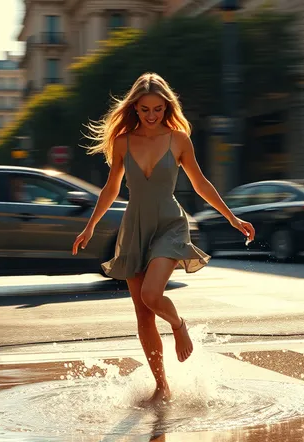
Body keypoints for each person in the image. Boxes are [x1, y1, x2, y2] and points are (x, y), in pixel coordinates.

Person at [72, 72, 255, 405]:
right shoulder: (123, 141)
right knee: (143, 314)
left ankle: (179, 324)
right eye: (145, 109)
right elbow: (112, 189)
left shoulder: (178, 139)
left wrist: (232, 217)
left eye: (157, 108)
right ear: (135, 109)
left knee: (152, 294)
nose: (152, 115)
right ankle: (162, 386)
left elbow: (200, 183)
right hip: (134, 227)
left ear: (167, 106)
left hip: (170, 224)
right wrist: (91, 226)